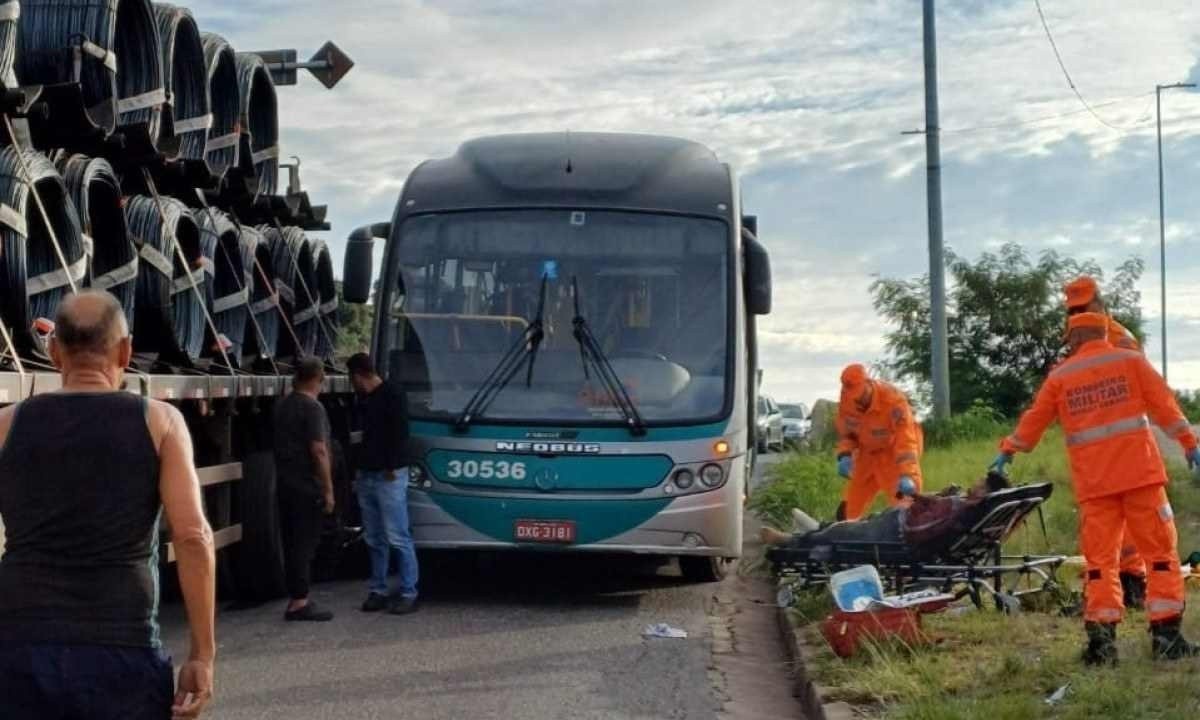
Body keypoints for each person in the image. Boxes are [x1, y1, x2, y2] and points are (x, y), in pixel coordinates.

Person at [0, 291, 216, 719]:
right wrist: (202, 655)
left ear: (54, 350)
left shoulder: (7, 424)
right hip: (123, 649)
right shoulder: (160, 422)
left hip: (21, 650)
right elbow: (193, 536)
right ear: (125, 350)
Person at [992, 311, 1200, 664]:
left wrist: (1008, 451)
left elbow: (1034, 419)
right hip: (1141, 478)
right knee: (1161, 556)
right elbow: (1165, 405)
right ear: (1105, 332)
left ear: (1074, 340)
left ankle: (1102, 646)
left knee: (1100, 564)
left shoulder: (1062, 376)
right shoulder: (1131, 362)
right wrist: (1188, 443)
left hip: (1096, 486)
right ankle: (1166, 638)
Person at [1064, 276, 1146, 608]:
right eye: (1073, 310)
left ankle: (1132, 584)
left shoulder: (1121, 340)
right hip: (1095, 452)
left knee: (1134, 523)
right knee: (1102, 531)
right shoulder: (1077, 340)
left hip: (1124, 448)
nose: (1077, 314)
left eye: (1083, 308)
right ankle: (1113, 590)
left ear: (1099, 304)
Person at [760, 472, 1010, 550]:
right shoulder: (964, 506)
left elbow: (922, 527)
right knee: (849, 528)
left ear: (984, 493)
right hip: (898, 520)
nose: (975, 483)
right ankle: (817, 529)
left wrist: (921, 498)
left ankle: (791, 541)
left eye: (980, 483)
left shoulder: (959, 508)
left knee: (845, 534)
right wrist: (934, 496)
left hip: (897, 530)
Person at [347, 353, 419, 615]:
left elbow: (400, 433)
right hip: (368, 473)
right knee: (374, 536)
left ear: (357, 375)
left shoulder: (392, 394)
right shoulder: (366, 398)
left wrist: (390, 466)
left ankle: (409, 591)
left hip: (388, 474)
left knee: (398, 535)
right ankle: (377, 589)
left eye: (352, 379)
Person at [273, 357, 336, 622]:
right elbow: (319, 450)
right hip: (306, 486)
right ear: (318, 378)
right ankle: (299, 601)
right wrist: (328, 489)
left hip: (284, 482)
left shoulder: (281, 405)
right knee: (304, 544)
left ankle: (297, 596)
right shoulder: (313, 408)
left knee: (291, 540)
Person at [834, 364, 924, 520]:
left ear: (868, 383)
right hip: (867, 454)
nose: (858, 400)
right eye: (853, 396)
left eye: (860, 394)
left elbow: (906, 441)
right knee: (847, 512)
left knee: (908, 511)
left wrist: (908, 474)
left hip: (894, 453)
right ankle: (847, 540)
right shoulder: (847, 399)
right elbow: (848, 434)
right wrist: (845, 454)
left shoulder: (893, 400)